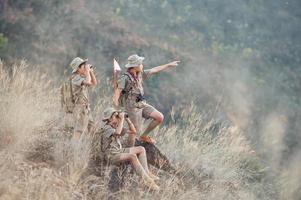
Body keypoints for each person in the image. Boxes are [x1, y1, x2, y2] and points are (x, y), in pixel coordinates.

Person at [112, 54, 179, 144]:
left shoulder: (140, 74)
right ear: (135, 66)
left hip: (141, 104)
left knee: (159, 117)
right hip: (131, 107)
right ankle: (129, 149)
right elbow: (116, 95)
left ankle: (143, 136)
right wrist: (116, 110)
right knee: (134, 131)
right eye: (140, 64)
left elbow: (154, 70)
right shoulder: (125, 78)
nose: (142, 65)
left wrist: (168, 65)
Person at [101, 107, 160, 190]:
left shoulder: (115, 126)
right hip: (111, 155)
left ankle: (147, 173)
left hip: (118, 151)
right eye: (115, 116)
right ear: (109, 118)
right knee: (132, 156)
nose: (118, 117)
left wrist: (127, 119)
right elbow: (117, 133)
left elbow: (133, 131)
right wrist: (121, 119)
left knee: (141, 149)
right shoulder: (107, 128)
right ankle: (147, 182)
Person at [70, 57, 97, 140]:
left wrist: (91, 72)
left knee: (92, 128)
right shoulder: (75, 78)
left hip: (86, 108)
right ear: (78, 68)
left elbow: (94, 83)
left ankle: (88, 147)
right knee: (79, 130)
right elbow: (88, 82)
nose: (85, 66)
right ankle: (73, 148)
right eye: (83, 65)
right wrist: (88, 71)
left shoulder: (81, 77)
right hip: (79, 108)